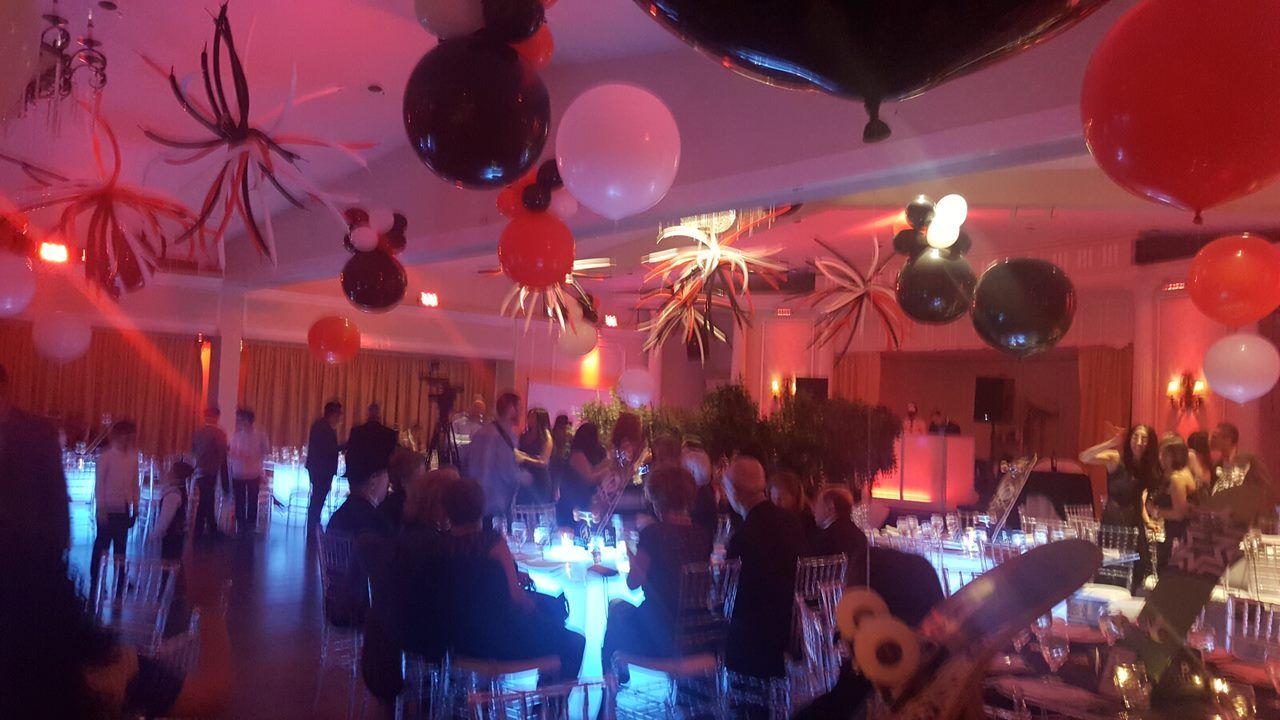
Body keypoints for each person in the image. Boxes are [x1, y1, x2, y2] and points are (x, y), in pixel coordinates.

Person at [1, 426, 232, 718]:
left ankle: (122, 580)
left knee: (120, 550)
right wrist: (209, 605)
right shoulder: (103, 666)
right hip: (111, 510)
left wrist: (135, 505)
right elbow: (211, 696)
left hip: (125, 510)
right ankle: (109, 578)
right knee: (105, 549)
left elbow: (138, 488)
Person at [435, 477, 585, 682]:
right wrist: (534, 606)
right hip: (500, 640)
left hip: (458, 640)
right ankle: (548, 707)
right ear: (480, 506)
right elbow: (516, 599)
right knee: (574, 641)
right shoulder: (492, 543)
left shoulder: (440, 546)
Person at [602, 464, 713, 680]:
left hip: (659, 631)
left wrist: (631, 557)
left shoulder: (653, 534)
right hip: (698, 633)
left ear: (657, 502)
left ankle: (612, 686)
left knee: (616, 607)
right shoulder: (703, 535)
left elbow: (633, 584)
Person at [723, 456, 807, 679]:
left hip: (755, 641)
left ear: (734, 490)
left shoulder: (743, 536)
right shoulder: (792, 522)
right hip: (793, 629)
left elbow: (733, 599)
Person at [0, 363, 69, 554]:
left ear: (4, 389)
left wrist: (60, 542)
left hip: (25, 542)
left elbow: (56, 489)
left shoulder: (38, 430)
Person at [1080, 423, 1158, 590]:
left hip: (1134, 521)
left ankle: (1127, 605)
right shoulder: (1116, 458)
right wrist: (1110, 443)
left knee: (1138, 566)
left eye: (1144, 438)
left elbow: (1139, 498)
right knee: (1111, 567)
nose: (1139, 442)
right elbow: (1084, 457)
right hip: (1114, 521)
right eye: (1135, 437)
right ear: (1129, 439)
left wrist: (1147, 520)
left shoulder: (1146, 466)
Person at [467, 392, 533, 527]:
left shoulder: (482, 432)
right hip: (496, 505)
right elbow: (506, 471)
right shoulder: (505, 437)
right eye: (519, 408)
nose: (521, 413)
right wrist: (524, 476)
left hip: (476, 502)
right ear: (510, 409)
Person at [91, 420, 140, 586]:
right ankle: (96, 577)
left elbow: (134, 483)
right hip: (108, 507)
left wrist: (136, 505)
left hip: (124, 506)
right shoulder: (105, 457)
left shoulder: (133, 457)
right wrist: (101, 508)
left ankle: (120, 577)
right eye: (128, 436)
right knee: (102, 545)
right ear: (119, 436)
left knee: (121, 545)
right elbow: (99, 485)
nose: (130, 440)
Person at [1149, 433, 1198, 575]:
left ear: (1174, 456)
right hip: (1181, 535)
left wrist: (1155, 511)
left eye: (1164, 455)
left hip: (1178, 537)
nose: (1160, 459)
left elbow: (1179, 514)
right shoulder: (1185, 472)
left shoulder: (1177, 478)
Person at [557, 421, 611, 526]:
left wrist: (608, 461)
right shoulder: (577, 454)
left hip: (585, 502)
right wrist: (608, 469)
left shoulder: (593, 453)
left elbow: (594, 469)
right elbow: (589, 478)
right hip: (572, 502)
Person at [228, 408, 270, 537]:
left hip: (253, 472)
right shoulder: (236, 435)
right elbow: (231, 452)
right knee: (240, 499)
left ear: (249, 421)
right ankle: (241, 524)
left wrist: (253, 457)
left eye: (242, 420)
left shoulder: (260, 435)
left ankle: (251, 524)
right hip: (238, 472)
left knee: (252, 499)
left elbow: (265, 451)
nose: (240, 422)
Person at [1210, 422, 1274, 503]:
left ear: (1228, 440)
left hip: (1249, 508)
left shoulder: (1250, 460)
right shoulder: (1217, 466)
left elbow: (1265, 485)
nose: (1211, 439)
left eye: (1215, 436)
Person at [191, 407, 230, 539]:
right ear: (217, 417)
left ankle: (205, 527)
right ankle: (206, 528)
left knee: (206, 497)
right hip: (211, 469)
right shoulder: (218, 433)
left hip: (199, 468)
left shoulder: (198, 432)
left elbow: (193, 450)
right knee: (207, 497)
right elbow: (222, 452)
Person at [306, 401, 345, 528]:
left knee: (317, 499)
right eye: (339, 414)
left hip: (319, 469)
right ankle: (313, 527)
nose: (340, 417)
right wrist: (346, 445)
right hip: (321, 470)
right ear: (333, 414)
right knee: (318, 499)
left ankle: (313, 525)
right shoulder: (324, 428)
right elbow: (328, 450)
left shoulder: (321, 426)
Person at [811, 485, 868, 567]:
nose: (814, 510)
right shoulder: (860, 535)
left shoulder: (825, 537)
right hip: (854, 579)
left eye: (818, 505)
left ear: (830, 506)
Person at [346, 403, 399, 489]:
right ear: (380, 414)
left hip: (360, 475)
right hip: (380, 477)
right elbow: (392, 458)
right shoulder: (389, 434)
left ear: (368, 414)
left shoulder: (357, 431)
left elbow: (350, 455)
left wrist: (351, 476)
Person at [149, 460, 194, 562]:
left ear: (175, 475)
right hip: (177, 534)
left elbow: (165, 518)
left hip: (172, 536)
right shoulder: (179, 489)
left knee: (169, 564)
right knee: (175, 563)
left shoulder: (172, 494)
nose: (168, 472)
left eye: (170, 470)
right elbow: (163, 479)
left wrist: (154, 534)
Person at [328, 469, 393, 539]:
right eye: (387, 475)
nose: (389, 482)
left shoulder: (337, 517)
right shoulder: (377, 524)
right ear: (373, 481)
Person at [768, 470, 818, 545]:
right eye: (773, 498)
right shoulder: (769, 520)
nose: (777, 503)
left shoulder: (808, 521)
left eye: (783, 498)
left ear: (795, 498)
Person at [516, 407, 554, 504]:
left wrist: (524, 458)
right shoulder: (525, 435)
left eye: (533, 418)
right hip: (524, 478)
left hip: (539, 479)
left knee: (537, 512)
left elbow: (544, 461)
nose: (529, 420)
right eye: (529, 417)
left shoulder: (546, 437)